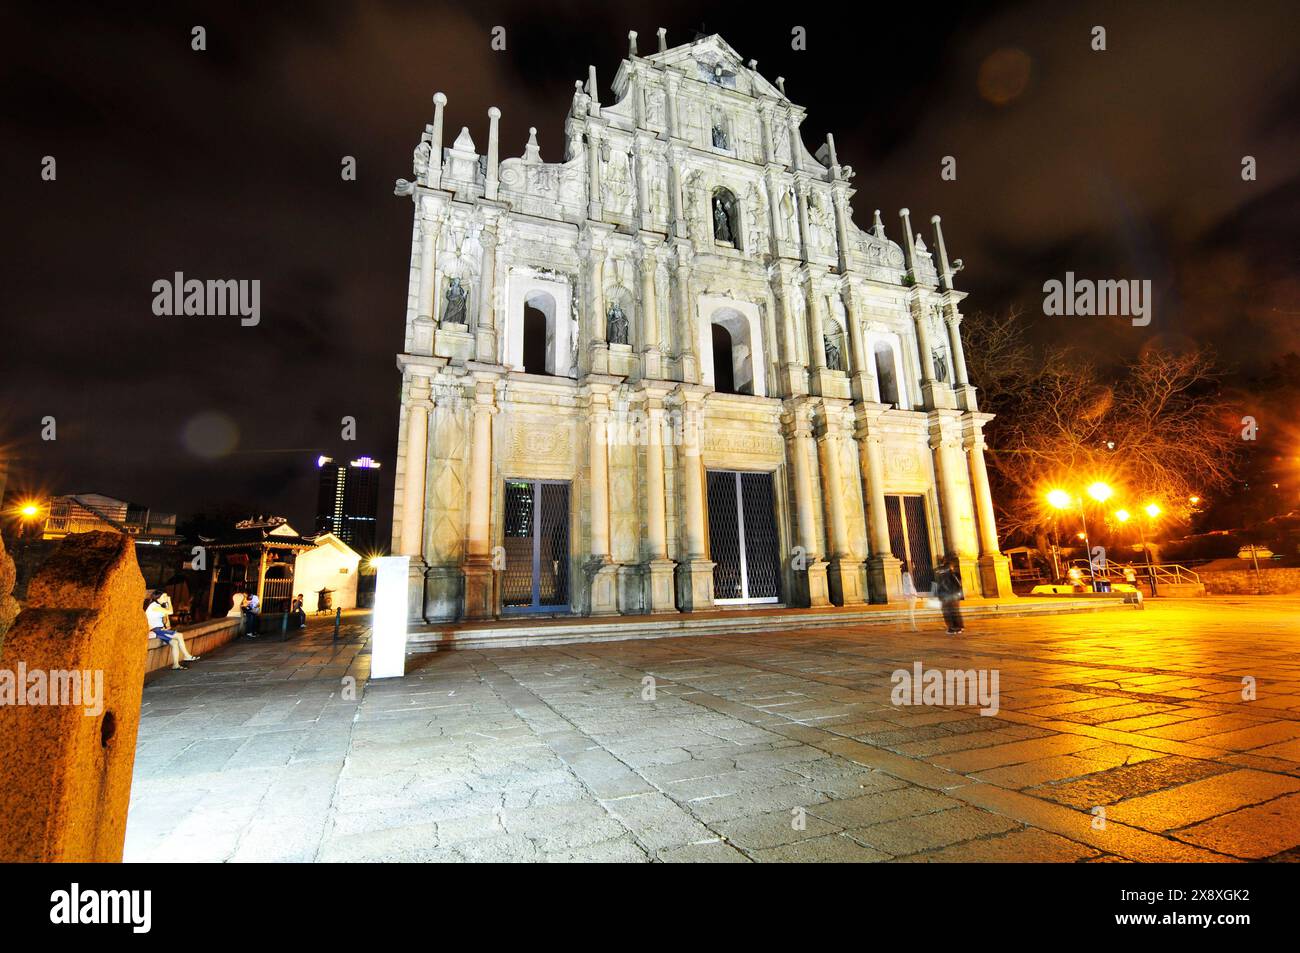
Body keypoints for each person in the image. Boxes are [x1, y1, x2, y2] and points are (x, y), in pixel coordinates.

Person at [145, 589, 199, 670]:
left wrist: (166, 603)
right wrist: (169, 601)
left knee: (174, 643)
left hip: (159, 630)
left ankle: (176, 665)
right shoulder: (154, 606)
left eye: (166, 596)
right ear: (158, 598)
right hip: (156, 630)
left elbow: (166, 614)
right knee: (179, 635)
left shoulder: (157, 606)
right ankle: (187, 656)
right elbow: (170, 612)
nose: (166, 598)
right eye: (164, 596)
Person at [931, 556, 965, 636]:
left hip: (945, 596)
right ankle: (959, 627)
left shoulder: (937, 572)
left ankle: (952, 628)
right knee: (955, 611)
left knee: (948, 612)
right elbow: (959, 584)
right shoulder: (953, 573)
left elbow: (935, 585)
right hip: (954, 596)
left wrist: (934, 596)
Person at [899, 561, 920, 632]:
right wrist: (911, 594)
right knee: (911, 612)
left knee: (911, 612)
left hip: (909, 595)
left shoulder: (906, 574)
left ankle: (913, 627)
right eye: (913, 564)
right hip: (911, 595)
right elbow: (908, 585)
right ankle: (913, 628)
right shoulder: (907, 574)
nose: (914, 566)